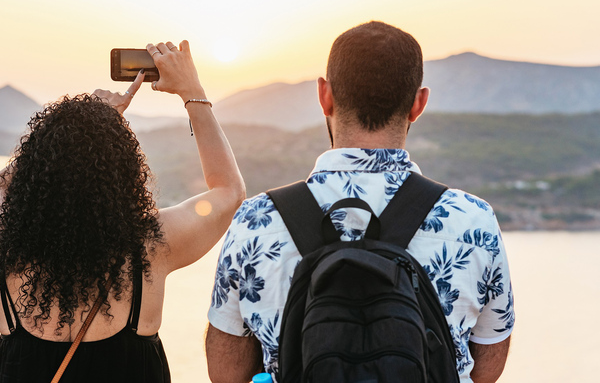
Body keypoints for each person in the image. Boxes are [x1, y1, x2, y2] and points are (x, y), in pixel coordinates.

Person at [205, 21, 514, 383]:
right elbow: (486, 370)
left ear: (325, 96)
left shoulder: (256, 221)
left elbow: (226, 373)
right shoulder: (473, 222)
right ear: (418, 104)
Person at [0, 40, 245, 382]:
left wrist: (69, 135)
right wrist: (192, 92)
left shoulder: (1, 242)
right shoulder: (152, 247)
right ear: (123, 172)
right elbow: (228, 190)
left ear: (36, 169)